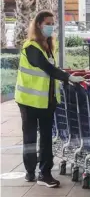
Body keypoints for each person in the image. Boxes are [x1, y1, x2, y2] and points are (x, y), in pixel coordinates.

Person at [14, 10, 85, 187]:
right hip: (28, 101)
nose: (51, 26)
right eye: (48, 23)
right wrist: (68, 77)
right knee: (30, 137)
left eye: (52, 23)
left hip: (47, 101)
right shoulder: (31, 47)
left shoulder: (48, 45)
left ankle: (44, 174)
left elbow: (51, 70)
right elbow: (47, 68)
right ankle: (30, 171)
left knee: (45, 138)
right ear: (38, 24)